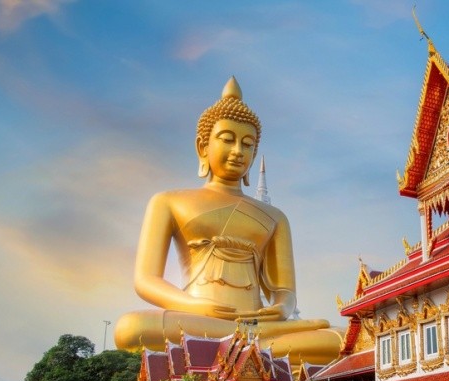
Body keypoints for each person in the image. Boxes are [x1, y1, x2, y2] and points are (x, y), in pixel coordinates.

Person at [114, 77, 341, 365]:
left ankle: (246, 342)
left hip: (258, 325)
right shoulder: (168, 201)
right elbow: (146, 280)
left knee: (340, 339)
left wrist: (283, 309)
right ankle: (248, 345)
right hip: (197, 319)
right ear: (202, 146)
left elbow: (285, 292)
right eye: (227, 139)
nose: (238, 151)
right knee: (130, 328)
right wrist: (194, 306)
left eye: (247, 145)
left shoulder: (276, 217)